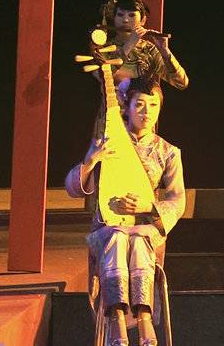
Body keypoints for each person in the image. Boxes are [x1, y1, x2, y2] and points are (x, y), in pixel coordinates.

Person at [66, 78, 185, 346]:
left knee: (139, 237)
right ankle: (116, 318)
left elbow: (178, 201)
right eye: (139, 105)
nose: (146, 112)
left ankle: (143, 318)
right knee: (118, 236)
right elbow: (72, 188)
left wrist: (147, 207)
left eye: (153, 105)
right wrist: (91, 160)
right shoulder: (110, 144)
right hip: (108, 229)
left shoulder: (168, 152)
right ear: (127, 108)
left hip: (145, 229)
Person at [100, 0, 189, 91]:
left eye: (132, 15)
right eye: (120, 15)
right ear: (114, 18)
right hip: (112, 104)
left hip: (142, 104)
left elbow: (181, 83)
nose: (125, 20)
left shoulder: (149, 49)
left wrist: (165, 50)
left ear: (143, 20)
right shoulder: (104, 48)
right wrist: (129, 45)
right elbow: (102, 77)